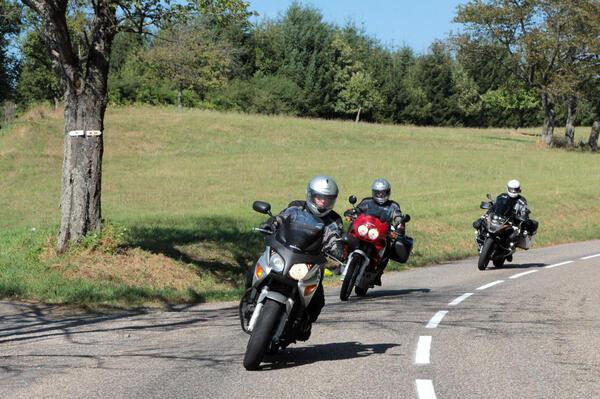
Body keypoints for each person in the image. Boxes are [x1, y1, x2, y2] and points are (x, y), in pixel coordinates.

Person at [248, 175, 344, 337]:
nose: (322, 203)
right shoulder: (296, 207)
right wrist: (270, 224)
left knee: (317, 301)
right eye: (319, 198)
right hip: (285, 253)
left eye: (327, 200)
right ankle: (250, 300)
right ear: (311, 195)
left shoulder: (334, 220)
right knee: (252, 269)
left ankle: (300, 325)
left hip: (309, 264)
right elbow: (280, 218)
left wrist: (338, 249)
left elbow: (335, 236)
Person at [344, 178, 404, 284]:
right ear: (374, 192)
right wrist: (352, 212)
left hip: (382, 234)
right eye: (378, 192)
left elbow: (398, 216)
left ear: (387, 192)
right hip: (366, 229)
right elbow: (359, 209)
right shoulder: (367, 202)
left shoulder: (393, 206)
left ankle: (378, 273)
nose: (380, 195)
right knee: (351, 228)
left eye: (383, 192)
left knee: (387, 250)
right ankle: (343, 256)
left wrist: (400, 225)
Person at [473, 179, 539, 256]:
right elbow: (495, 203)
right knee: (481, 220)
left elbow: (525, 210)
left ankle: (509, 247)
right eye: (512, 189)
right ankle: (481, 238)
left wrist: (523, 216)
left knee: (515, 235)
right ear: (508, 188)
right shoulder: (502, 196)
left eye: (515, 190)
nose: (513, 191)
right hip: (500, 218)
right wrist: (490, 204)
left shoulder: (522, 200)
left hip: (512, 222)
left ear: (519, 189)